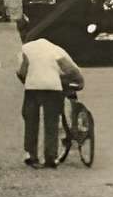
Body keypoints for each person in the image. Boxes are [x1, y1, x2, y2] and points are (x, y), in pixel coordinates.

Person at [14, 18, 83, 168]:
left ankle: (31, 155)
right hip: (53, 88)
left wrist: (27, 81)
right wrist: (79, 83)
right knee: (51, 122)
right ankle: (50, 157)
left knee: (31, 121)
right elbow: (71, 69)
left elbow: (22, 71)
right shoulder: (56, 49)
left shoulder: (27, 48)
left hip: (32, 88)